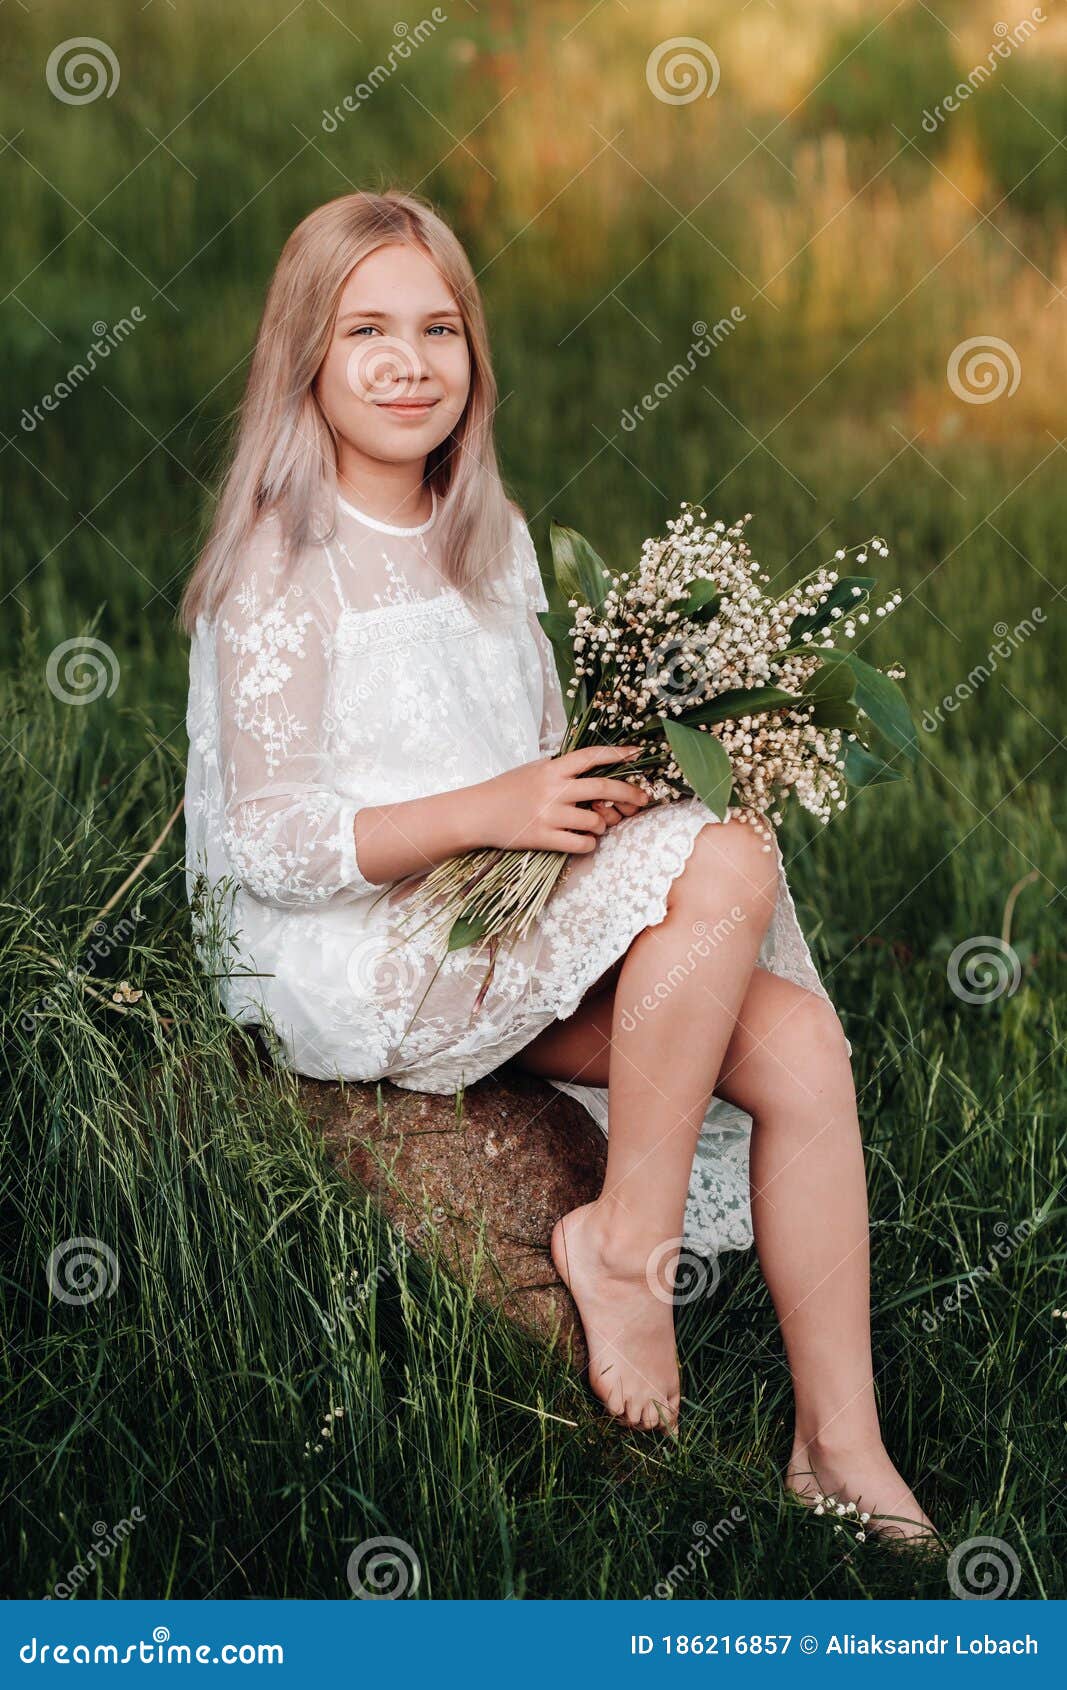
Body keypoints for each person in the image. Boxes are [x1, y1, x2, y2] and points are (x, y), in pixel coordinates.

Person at [181, 189, 935, 1542]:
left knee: (802, 1040)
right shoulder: (284, 570)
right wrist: (503, 805)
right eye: (367, 330)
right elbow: (270, 843)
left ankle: (839, 1442)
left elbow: (527, 747)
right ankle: (626, 1243)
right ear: (304, 353)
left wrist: (603, 777)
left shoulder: (493, 537)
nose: (410, 361)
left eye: (439, 328)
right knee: (725, 853)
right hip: (373, 945)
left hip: (503, 918)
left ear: (475, 356)